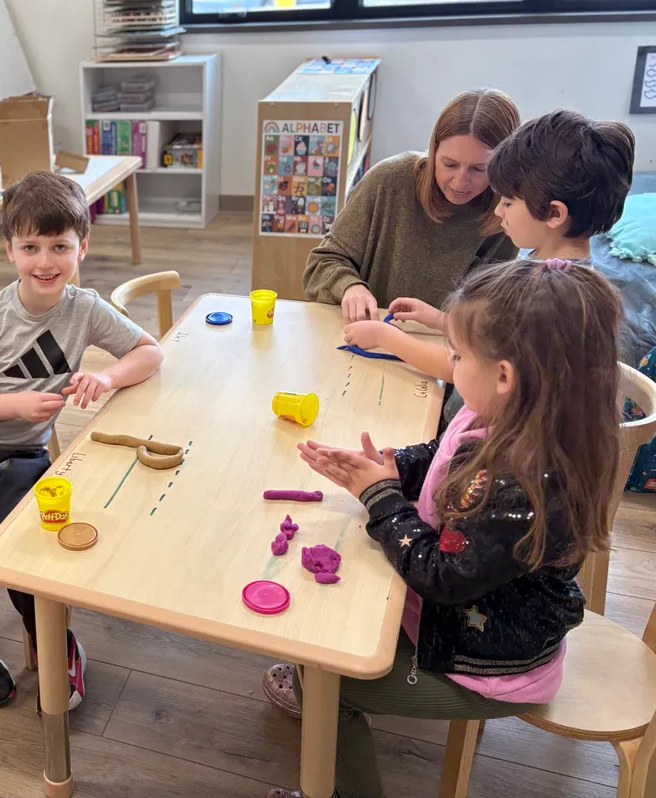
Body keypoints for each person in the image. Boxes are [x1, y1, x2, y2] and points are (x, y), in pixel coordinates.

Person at [265, 259, 621, 798]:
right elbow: (444, 454)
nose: (448, 362)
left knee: (324, 687)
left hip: (490, 666)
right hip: (460, 623)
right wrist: (393, 467)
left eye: (456, 355)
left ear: (504, 375)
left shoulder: (523, 481)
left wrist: (380, 497)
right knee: (313, 641)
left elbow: (442, 576)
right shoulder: (501, 411)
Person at [0, 170, 164, 707]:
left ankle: (50, 635)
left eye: (60, 246)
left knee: (33, 545)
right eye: (31, 247)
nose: (45, 261)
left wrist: (106, 376)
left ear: (82, 247)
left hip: (21, 452)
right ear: (10, 250)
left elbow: (151, 352)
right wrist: (16, 404)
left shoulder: (86, 308)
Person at [342, 110, 636, 375]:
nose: (497, 211)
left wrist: (386, 338)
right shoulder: (566, 276)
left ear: (554, 213)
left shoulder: (543, 294)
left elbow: (462, 368)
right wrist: (439, 320)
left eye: (507, 203)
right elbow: (502, 338)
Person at [303, 89, 520, 322]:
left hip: (443, 348)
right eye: (449, 164)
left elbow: (487, 314)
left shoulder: (507, 212)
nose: (460, 181)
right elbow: (321, 266)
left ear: (501, 166)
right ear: (434, 151)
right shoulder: (389, 180)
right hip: (365, 335)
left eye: (479, 169)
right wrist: (350, 287)